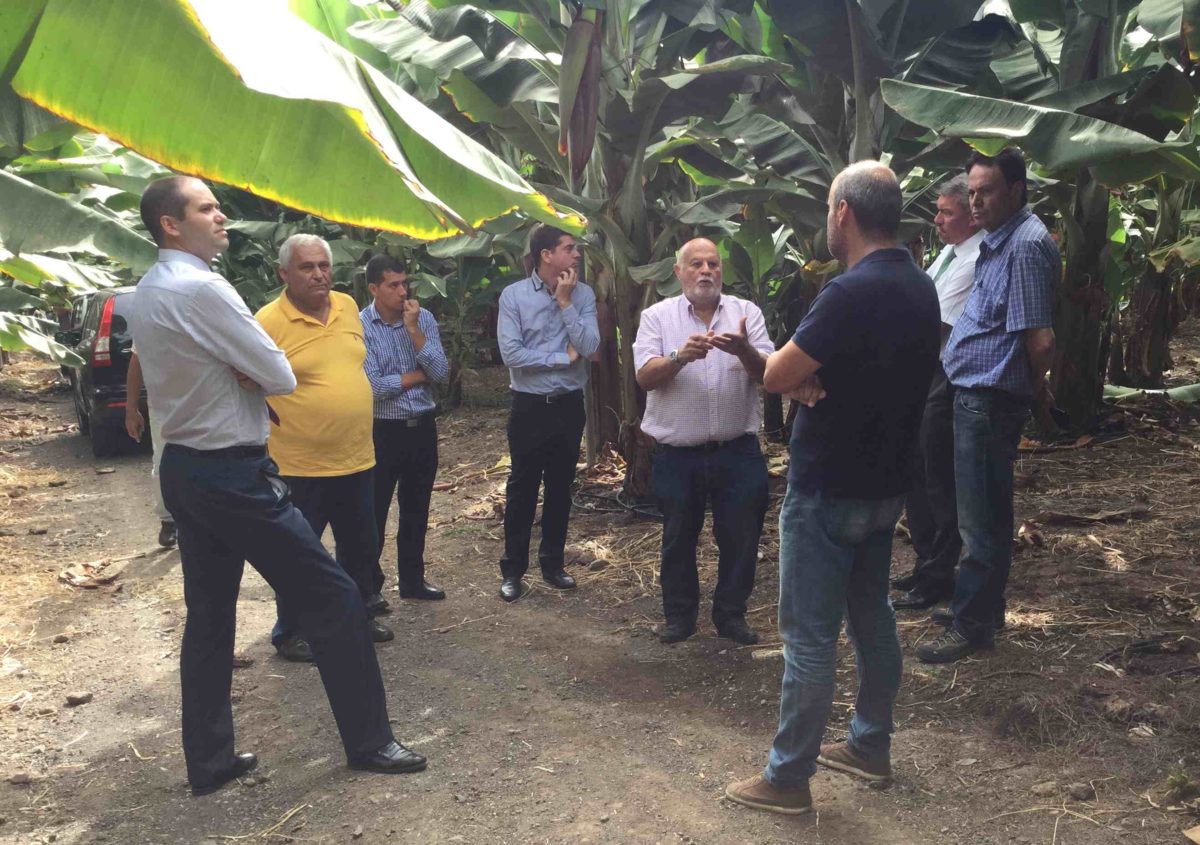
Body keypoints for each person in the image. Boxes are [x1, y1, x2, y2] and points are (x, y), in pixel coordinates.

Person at [130, 175, 426, 797]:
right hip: (233, 472)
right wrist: (251, 369)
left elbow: (246, 370)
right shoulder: (205, 288)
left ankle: (209, 760)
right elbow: (279, 373)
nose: (221, 217)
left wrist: (244, 369)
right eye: (207, 208)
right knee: (336, 596)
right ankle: (370, 741)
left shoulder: (150, 287)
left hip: (184, 466)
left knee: (210, 617)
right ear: (171, 224)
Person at [725, 161, 940, 815]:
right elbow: (873, 371)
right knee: (872, 615)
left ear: (843, 212)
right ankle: (870, 745)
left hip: (827, 488)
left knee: (810, 637)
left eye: (827, 207)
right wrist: (811, 378)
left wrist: (797, 378)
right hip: (886, 487)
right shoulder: (921, 285)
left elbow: (777, 374)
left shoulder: (848, 292)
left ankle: (788, 778)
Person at [917, 148, 1057, 664]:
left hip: (990, 398)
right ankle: (983, 607)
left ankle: (971, 623)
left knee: (979, 520)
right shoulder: (1001, 240)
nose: (975, 202)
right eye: (972, 192)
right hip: (977, 394)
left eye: (987, 191)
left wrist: (1029, 391)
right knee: (988, 512)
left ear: (1016, 189)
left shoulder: (1025, 246)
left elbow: (1040, 340)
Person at [254, 234, 394, 662]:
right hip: (299, 465)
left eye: (323, 265)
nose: (318, 274)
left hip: (357, 457)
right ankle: (291, 631)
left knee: (361, 547)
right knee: (297, 553)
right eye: (306, 267)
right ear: (284, 273)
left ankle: (358, 617)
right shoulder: (267, 321)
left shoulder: (348, 306)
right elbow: (244, 378)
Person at [631, 238, 773, 646]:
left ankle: (731, 616)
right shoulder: (657, 317)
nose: (706, 270)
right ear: (678, 272)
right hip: (678, 454)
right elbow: (644, 377)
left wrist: (744, 350)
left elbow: (768, 373)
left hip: (737, 450)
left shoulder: (746, 313)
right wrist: (679, 357)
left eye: (713, 263)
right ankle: (680, 618)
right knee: (678, 537)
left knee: (741, 537)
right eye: (696, 264)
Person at [892, 174, 985, 612]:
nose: (938, 220)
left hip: (944, 373)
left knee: (937, 478)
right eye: (938, 211)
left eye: (947, 213)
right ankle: (925, 561)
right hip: (922, 371)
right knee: (917, 472)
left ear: (972, 217)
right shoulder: (950, 252)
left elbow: (935, 322)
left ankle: (939, 574)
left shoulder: (976, 258)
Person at [495, 224, 600, 602]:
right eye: (569, 248)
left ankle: (553, 565)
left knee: (560, 488)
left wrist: (566, 303)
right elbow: (512, 354)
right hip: (529, 407)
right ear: (546, 255)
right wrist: (560, 358)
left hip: (569, 406)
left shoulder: (583, 295)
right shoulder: (514, 296)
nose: (577, 254)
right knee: (522, 489)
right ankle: (513, 572)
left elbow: (590, 346)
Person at [361, 253, 450, 603]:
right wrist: (416, 376)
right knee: (375, 511)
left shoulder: (421, 318)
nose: (403, 292)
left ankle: (413, 581)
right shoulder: (361, 326)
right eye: (393, 285)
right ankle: (370, 588)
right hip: (382, 430)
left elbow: (440, 373)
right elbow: (373, 387)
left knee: (416, 509)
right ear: (374, 288)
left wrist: (413, 331)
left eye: (405, 283)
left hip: (422, 428)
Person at [125, 350, 176, 548]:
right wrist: (131, 409)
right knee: (163, 461)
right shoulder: (150, 328)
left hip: (206, 404)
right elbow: (137, 360)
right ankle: (169, 522)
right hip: (164, 405)